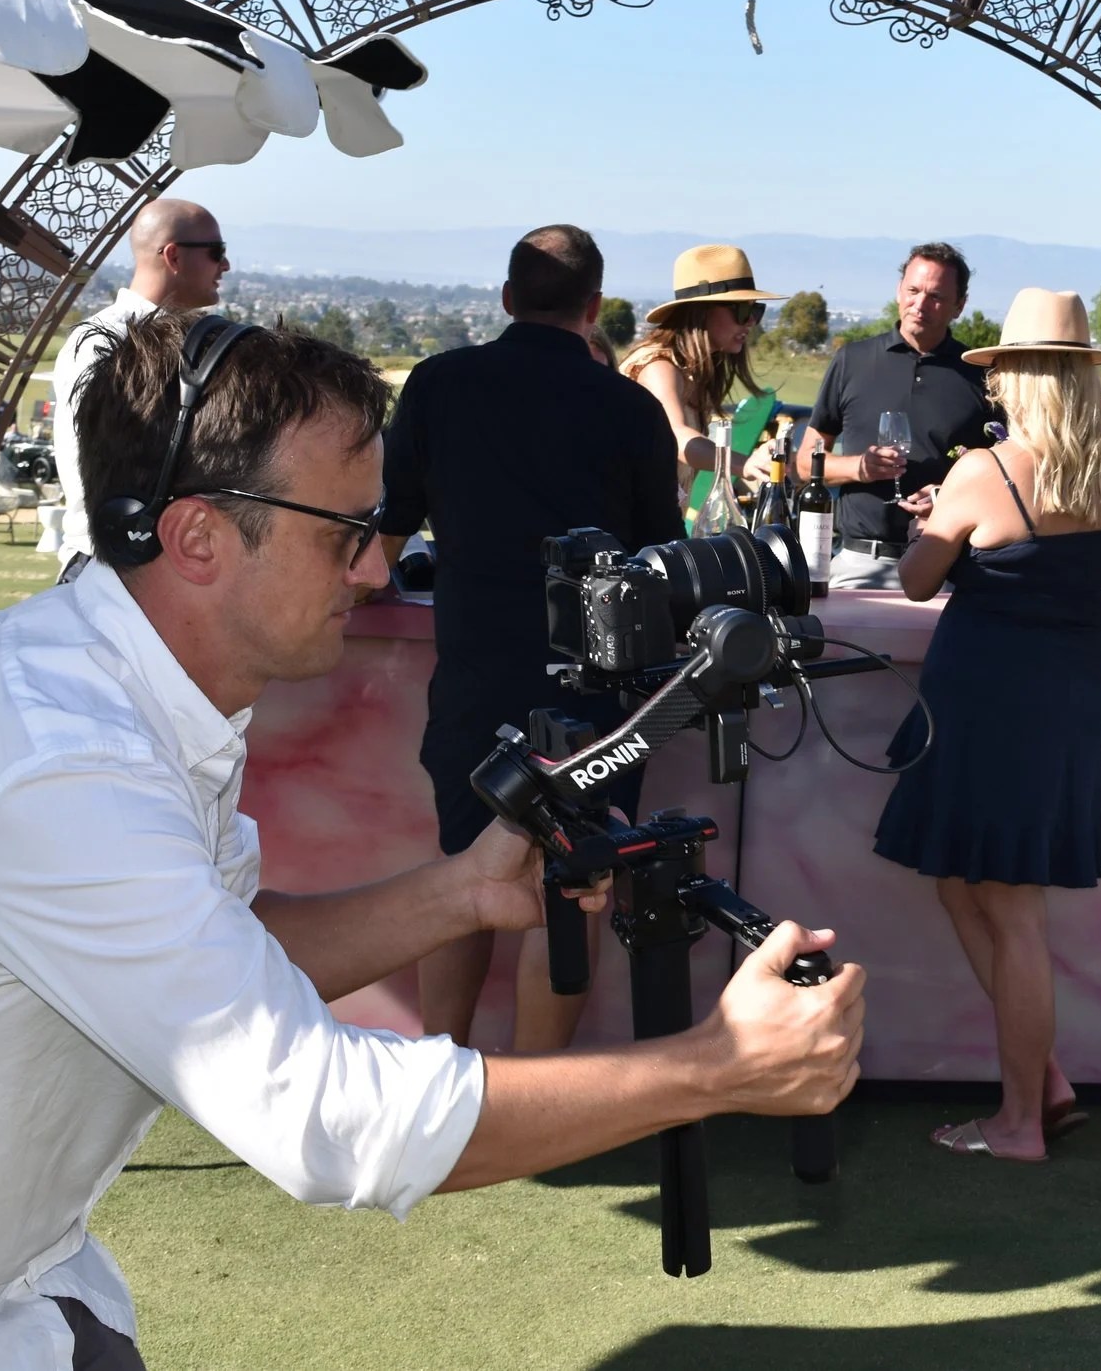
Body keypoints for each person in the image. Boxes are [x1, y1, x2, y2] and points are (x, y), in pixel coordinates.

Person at [0, 313, 862, 1370]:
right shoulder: (59, 762)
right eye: (343, 533)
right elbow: (325, 1119)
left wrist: (466, 889)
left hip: (2, 1293)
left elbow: (228, 947)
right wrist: (712, 1066)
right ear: (197, 534)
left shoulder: (117, 692)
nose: (377, 570)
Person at [379, 225, 685, 1054]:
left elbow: (384, 538)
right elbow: (668, 562)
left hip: (475, 675)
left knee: (459, 873)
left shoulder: (439, 384)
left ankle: (440, 1074)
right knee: (576, 884)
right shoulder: (630, 407)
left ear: (508, 298)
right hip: (598, 693)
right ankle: (541, 1091)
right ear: (593, 309)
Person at [875, 288, 1101, 1162]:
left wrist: (931, 522)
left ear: (1014, 376)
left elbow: (915, 582)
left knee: (1013, 910)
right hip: (1068, 696)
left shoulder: (984, 469)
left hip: (986, 697)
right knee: (966, 880)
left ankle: (1021, 1120)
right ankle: (1045, 1077)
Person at [50, 198, 230, 577]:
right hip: (113, 562)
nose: (225, 266)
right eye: (216, 252)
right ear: (174, 256)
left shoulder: (198, 341)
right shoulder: (104, 343)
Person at [795, 243, 993, 588]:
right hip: (858, 565)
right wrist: (860, 467)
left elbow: (1003, 476)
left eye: (935, 296)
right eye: (913, 290)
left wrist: (946, 496)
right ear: (899, 291)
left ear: (959, 306)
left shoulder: (982, 375)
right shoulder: (852, 361)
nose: (919, 304)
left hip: (946, 566)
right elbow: (804, 464)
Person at [621, 244, 782, 500]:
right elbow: (677, 435)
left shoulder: (693, 370)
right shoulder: (657, 365)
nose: (751, 321)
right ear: (702, 311)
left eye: (756, 310)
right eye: (742, 310)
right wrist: (746, 464)